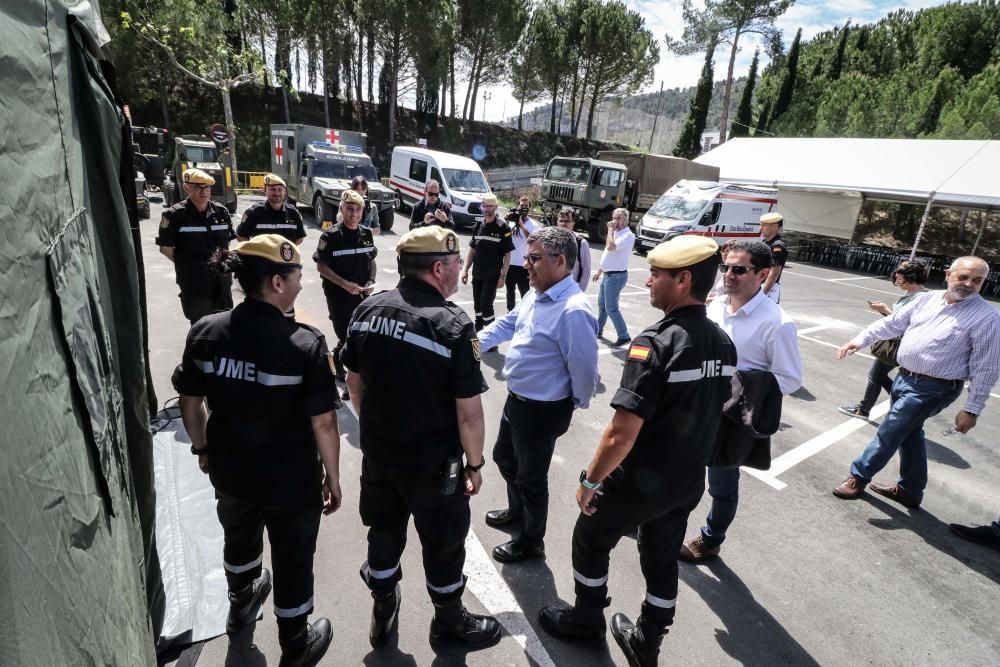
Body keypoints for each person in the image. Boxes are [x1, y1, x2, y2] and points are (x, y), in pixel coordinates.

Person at [538, 236, 736, 667]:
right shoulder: (722, 342)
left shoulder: (655, 342)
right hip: (686, 481)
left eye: (657, 275)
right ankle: (648, 639)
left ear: (683, 280)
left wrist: (590, 480)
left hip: (641, 480)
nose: (647, 281)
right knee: (661, 555)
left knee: (590, 539)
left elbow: (620, 433)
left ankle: (587, 619)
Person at [172, 234, 341, 667]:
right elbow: (323, 421)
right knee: (293, 557)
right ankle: (295, 643)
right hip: (290, 479)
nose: (301, 284)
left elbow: (190, 405)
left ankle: (242, 601)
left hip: (230, 469)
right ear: (277, 282)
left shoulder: (206, 331)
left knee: (239, 539)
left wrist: (203, 449)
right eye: (297, 276)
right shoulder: (305, 344)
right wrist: (333, 478)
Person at [341, 225, 501, 650]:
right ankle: (449, 622)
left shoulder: (367, 311)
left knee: (384, 528)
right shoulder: (452, 326)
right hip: (434, 465)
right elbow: (469, 414)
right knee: (444, 540)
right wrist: (476, 464)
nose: (455, 271)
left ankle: (383, 605)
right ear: (437, 268)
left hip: (379, 452)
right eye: (453, 263)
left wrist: (374, 426)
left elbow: (354, 383)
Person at [833, 256, 1000, 509]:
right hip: (905, 378)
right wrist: (860, 339)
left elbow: (987, 367)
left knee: (890, 430)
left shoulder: (987, 318)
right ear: (947, 275)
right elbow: (893, 324)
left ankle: (858, 476)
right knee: (909, 434)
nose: (968, 284)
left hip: (935, 388)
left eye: (977, 281)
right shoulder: (926, 299)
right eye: (963, 277)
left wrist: (972, 409)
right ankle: (910, 490)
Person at [479, 226, 600, 563]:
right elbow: (507, 325)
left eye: (534, 259)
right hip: (517, 401)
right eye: (527, 258)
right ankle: (518, 513)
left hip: (542, 410)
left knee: (532, 478)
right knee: (506, 458)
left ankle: (532, 541)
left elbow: (585, 370)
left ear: (560, 261)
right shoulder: (537, 291)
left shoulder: (573, 310)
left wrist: (573, 403)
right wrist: (470, 347)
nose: (526, 265)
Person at [679, 240, 802, 562]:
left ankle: (710, 539)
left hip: (731, 418)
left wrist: (737, 386)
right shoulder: (714, 306)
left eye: (739, 269)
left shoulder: (777, 323)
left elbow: (789, 379)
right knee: (679, 469)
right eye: (725, 268)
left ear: (763, 273)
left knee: (721, 483)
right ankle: (661, 523)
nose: (729, 275)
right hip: (696, 406)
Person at [839, 260, 929, 419]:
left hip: (899, 344)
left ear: (911, 278)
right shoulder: (911, 294)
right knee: (878, 375)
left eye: (900, 279)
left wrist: (885, 310)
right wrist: (884, 311)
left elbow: (906, 324)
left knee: (876, 375)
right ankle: (888, 407)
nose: (897, 282)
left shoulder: (920, 298)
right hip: (894, 340)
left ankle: (868, 409)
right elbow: (897, 319)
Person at [313, 190, 377, 394]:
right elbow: (321, 266)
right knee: (348, 336)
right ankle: (350, 378)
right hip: (339, 296)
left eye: (358, 209)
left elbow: (371, 260)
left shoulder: (366, 234)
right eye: (350, 208)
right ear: (341, 208)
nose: (354, 213)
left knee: (358, 335)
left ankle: (335, 360)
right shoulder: (330, 236)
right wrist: (344, 284)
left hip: (362, 295)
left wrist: (371, 280)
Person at [156, 168, 236, 324]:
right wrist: (186, 263)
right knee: (201, 325)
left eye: (207, 187)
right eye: (198, 187)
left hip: (221, 280)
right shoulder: (174, 215)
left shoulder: (221, 212)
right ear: (187, 188)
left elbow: (227, 240)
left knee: (224, 323)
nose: (204, 191)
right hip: (195, 283)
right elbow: (165, 247)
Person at [462, 193, 513, 330]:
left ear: (496, 207)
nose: (486, 209)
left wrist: (503, 276)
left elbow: (507, 255)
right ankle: (478, 340)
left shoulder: (503, 228)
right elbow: (472, 250)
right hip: (477, 274)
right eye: (484, 206)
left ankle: (492, 340)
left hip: (492, 276)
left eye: (490, 206)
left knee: (485, 306)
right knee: (477, 306)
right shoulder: (478, 226)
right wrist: (465, 270)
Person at [592, 208, 635, 346]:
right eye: (614, 218)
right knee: (602, 305)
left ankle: (624, 335)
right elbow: (608, 254)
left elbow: (610, 247)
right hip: (608, 274)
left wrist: (610, 229)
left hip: (616, 277)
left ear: (626, 220)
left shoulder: (628, 235)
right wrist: (600, 270)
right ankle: (598, 330)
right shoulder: (616, 233)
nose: (615, 221)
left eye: (619, 218)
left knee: (611, 308)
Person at [236, 173, 306, 245]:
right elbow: (241, 236)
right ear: (264, 190)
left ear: (285, 191)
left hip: (284, 256)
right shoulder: (254, 212)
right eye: (273, 189)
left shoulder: (293, 213)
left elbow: (300, 238)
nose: (277, 193)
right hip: (260, 256)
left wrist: (289, 251)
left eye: (280, 189)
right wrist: (254, 250)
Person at [505, 195, 539, 311]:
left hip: (524, 264)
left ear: (529, 208)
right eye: (521, 205)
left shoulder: (533, 224)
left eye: (526, 206)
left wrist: (521, 225)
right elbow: (504, 238)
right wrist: (506, 220)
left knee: (525, 293)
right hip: (510, 263)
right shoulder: (510, 222)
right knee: (510, 292)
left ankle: (525, 313)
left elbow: (532, 240)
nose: (523, 207)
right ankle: (510, 313)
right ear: (517, 206)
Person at [555, 207, 591, 293]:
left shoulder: (581, 243)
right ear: (557, 223)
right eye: (561, 221)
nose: (563, 224)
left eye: (567, 221)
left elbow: (586, 270)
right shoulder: (552, 241)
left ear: (573, 223)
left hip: (571, 290)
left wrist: (580, 292)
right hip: (554, 288)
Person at [759, 213, 787, 302]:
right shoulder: (766, 242)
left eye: (764, 225)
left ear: (775, 226)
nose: (760, 228)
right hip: (758, 285)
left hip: (767, 289)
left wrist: (762, 294)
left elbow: (774, 273)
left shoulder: (777, 246)